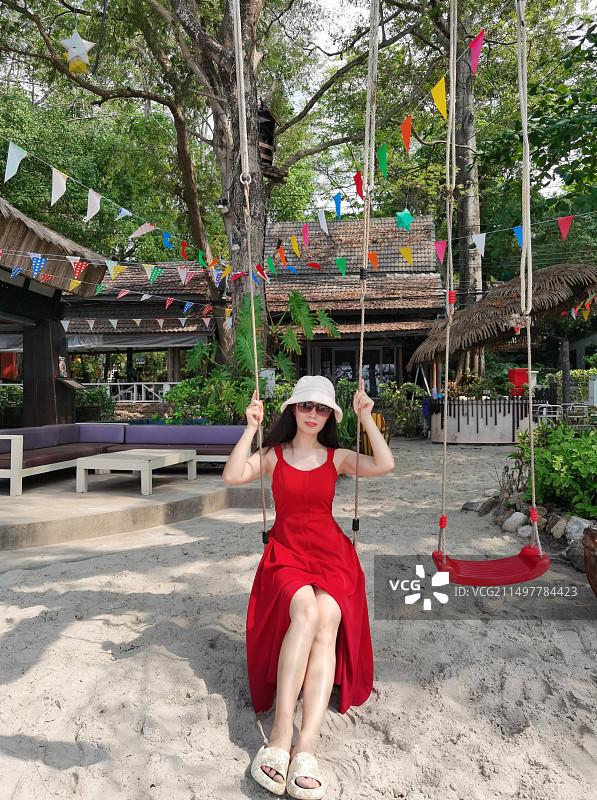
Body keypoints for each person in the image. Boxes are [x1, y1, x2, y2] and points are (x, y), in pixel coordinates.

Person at [223, 375, 394, 798]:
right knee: (306, 612)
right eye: (306, 406)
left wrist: (367, 418)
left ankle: (307, 745)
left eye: (322, 408)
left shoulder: (337, 458)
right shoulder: (273, 455)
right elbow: (232, 475)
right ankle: (281, 735)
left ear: (330, 416)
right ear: (292, 410)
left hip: (333, 556)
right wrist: (250, 427)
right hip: (286, 554)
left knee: (327, 619)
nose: (313, 414)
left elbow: (385, 464)